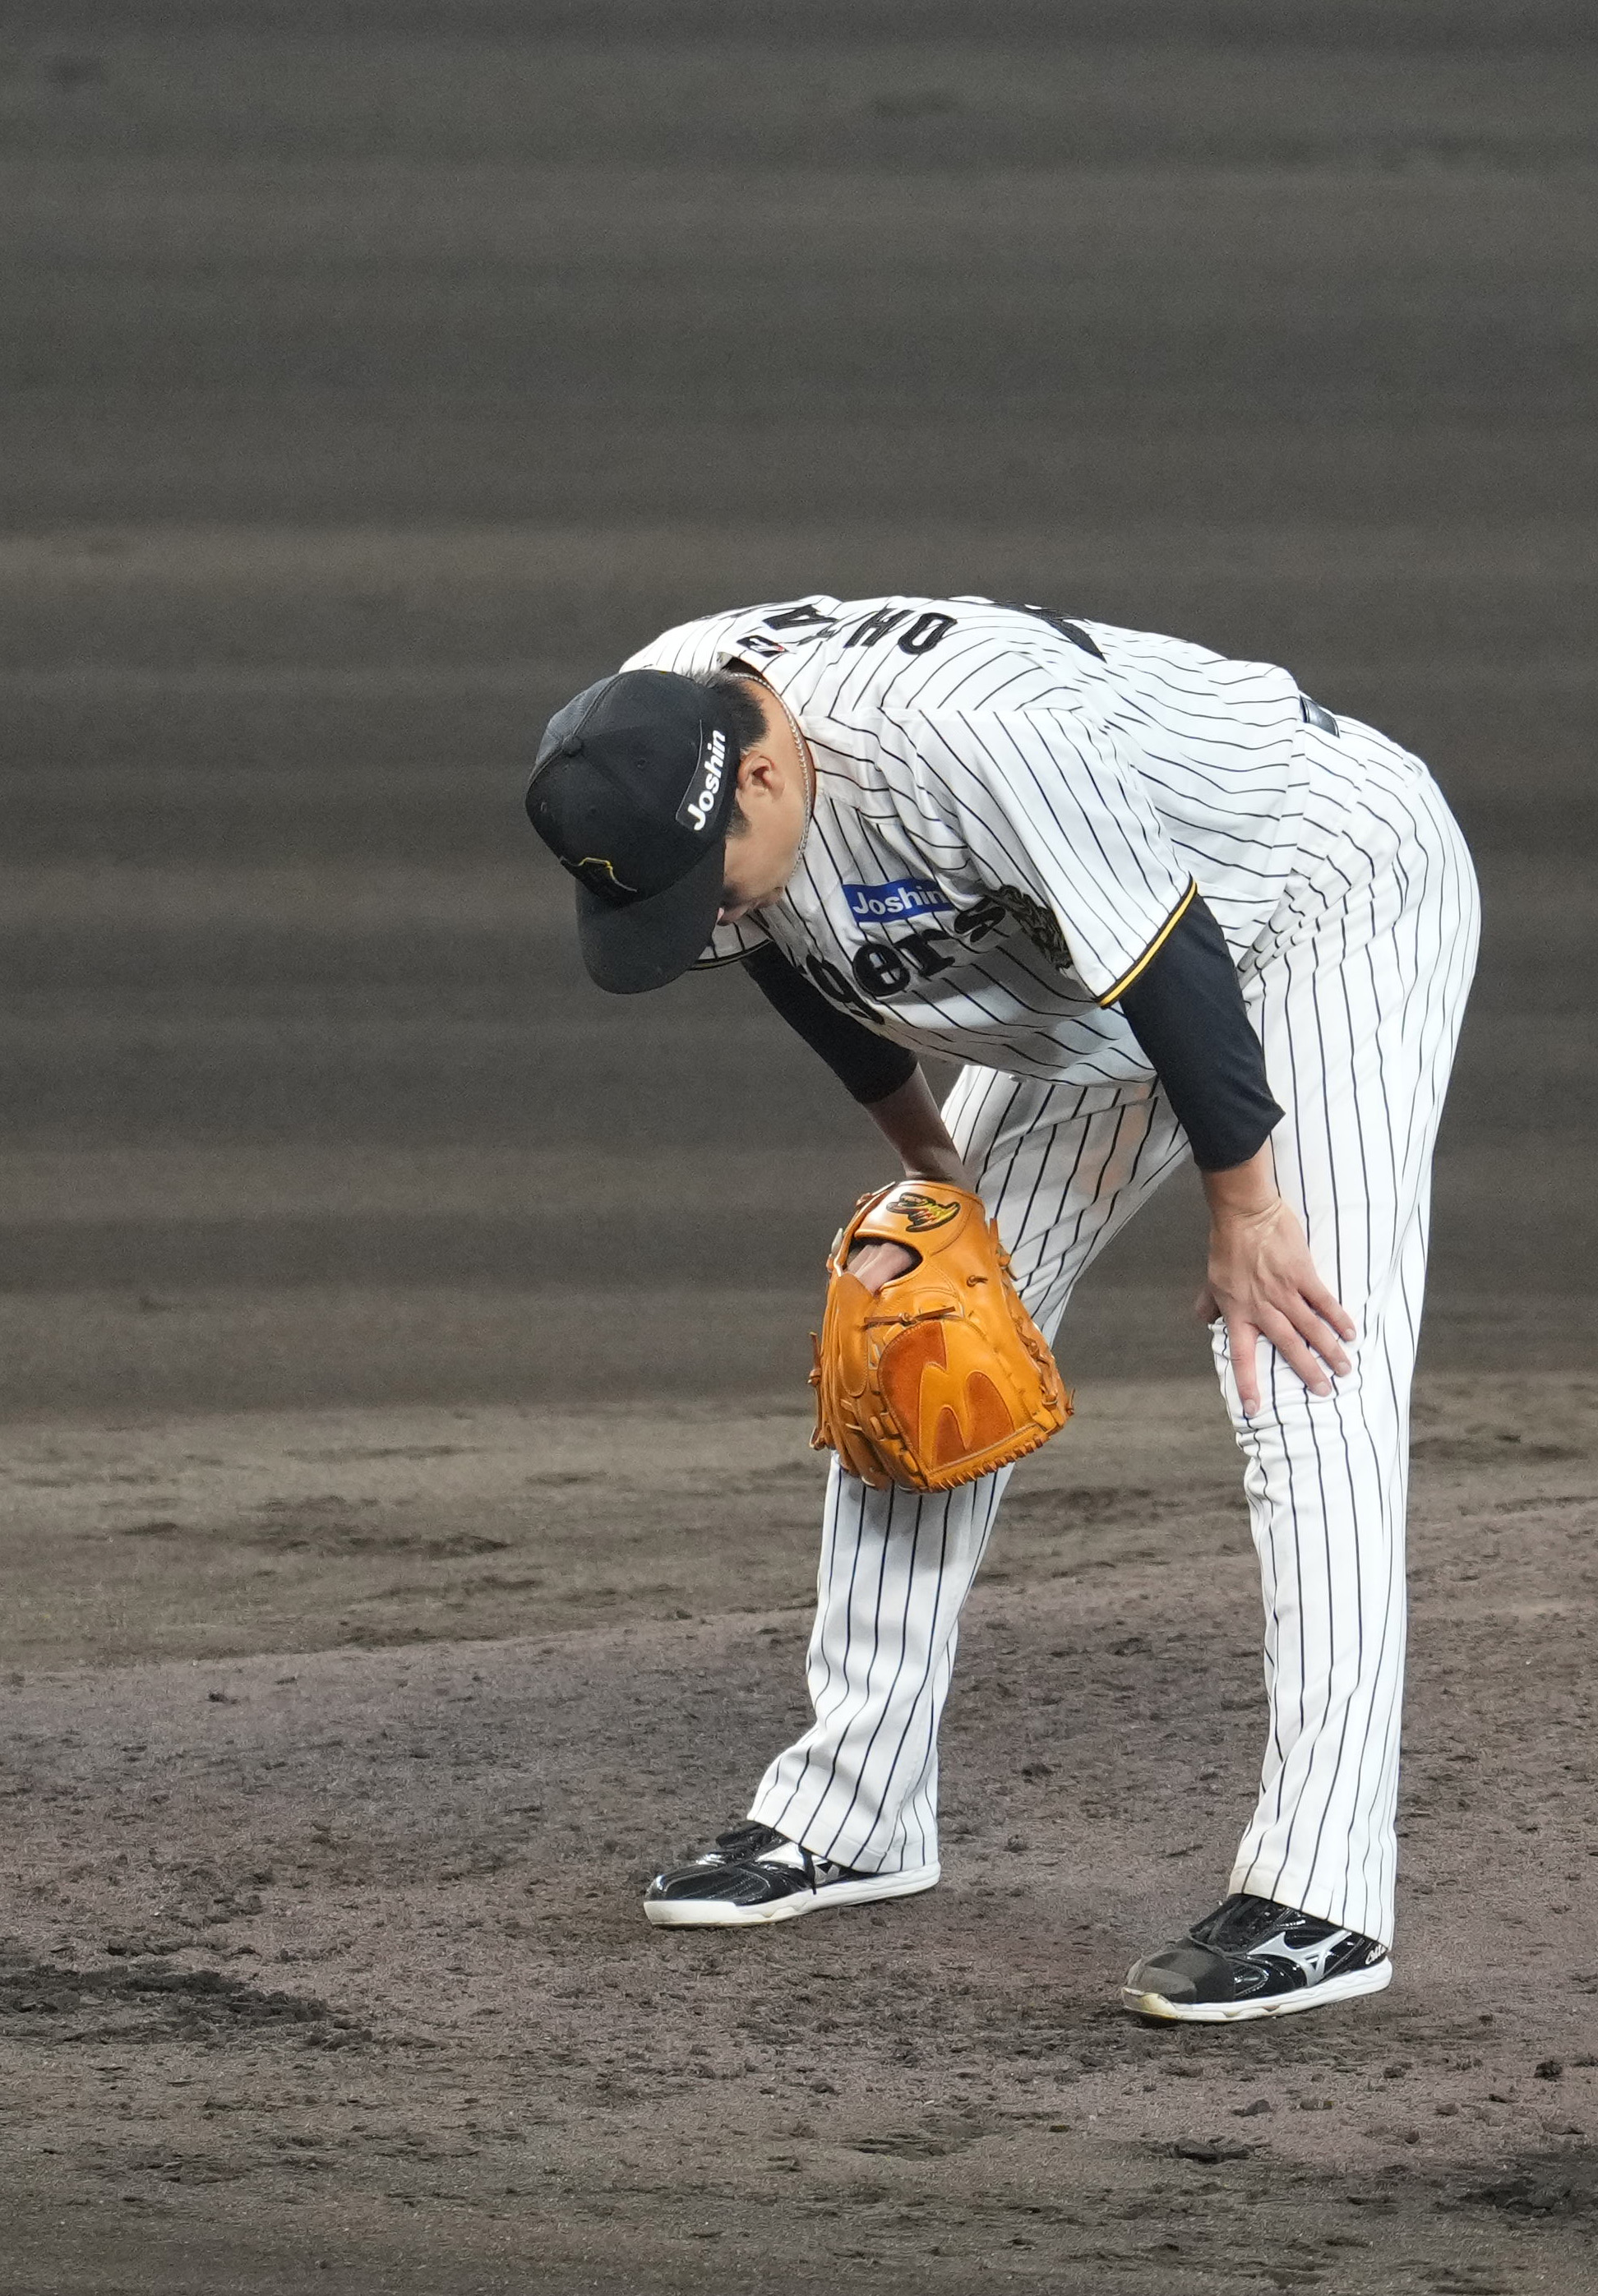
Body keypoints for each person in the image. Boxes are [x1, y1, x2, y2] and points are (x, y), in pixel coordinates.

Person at [519, 594, 1479, 2021]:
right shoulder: (658, 730)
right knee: (914, 1322)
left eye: (704, 880)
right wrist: (934, 1171)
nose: (703, 910)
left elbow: (1174, 954)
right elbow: (788, 943)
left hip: (1315, 894)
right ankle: (854, 1808)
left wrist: (1248, 1211)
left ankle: (1326, 1892)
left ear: (764, 773)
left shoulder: (972, 732)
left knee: (1298, 1355)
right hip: (1096, 957)